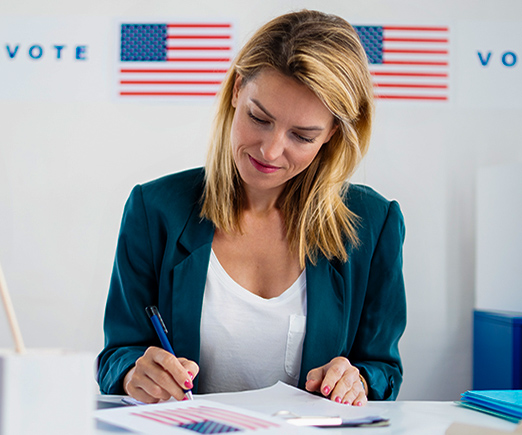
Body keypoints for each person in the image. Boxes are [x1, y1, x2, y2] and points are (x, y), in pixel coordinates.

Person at [97, 10, 406, 406]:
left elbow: (384, 368)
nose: (270, 151)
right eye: (259, 118)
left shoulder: (374, 225)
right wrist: (132, 373)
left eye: (302, 135)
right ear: (236, 90)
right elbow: (117, 354)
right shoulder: (154, 209)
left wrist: (359, 379)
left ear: (331, 133)